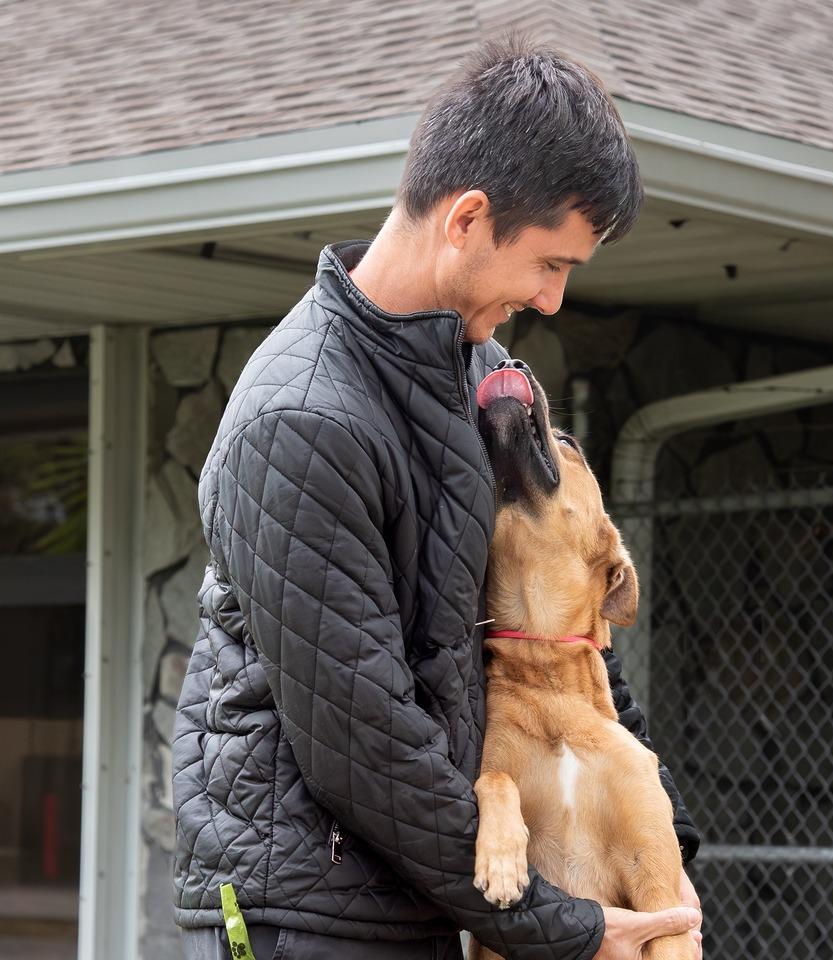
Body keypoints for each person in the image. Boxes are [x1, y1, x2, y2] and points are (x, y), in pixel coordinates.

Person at [173, 35, 702, 960]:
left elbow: (563, 639)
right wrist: (561, 927)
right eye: (550, 263)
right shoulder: (301, 420)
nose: (552, 301)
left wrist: (665, 848)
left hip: (437, 898)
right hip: (309, 914)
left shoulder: (481, 375)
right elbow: (362, 743)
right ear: (466, 219)